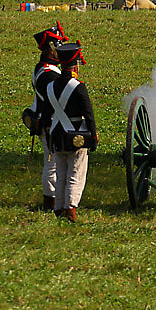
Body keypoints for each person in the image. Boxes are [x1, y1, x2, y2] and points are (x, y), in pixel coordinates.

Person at [47, 41, 97, 222]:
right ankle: (71, 208)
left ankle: (59, 207)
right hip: (76, 134)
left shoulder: (51, 86)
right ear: (75, 63)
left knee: (60, 173)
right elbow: (88, 113)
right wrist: (93, 135)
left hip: (57, 135)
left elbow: (48, 112)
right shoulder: (78, 87)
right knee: (76, 172)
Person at [27, 22, 68, 211]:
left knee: (51, 163)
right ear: (50, 49)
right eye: (56, 46)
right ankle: (50, 202)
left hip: (48, 120)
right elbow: (53, 101)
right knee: (51, 165)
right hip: (49, 122)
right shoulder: (49, 74)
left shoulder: (43, 69)